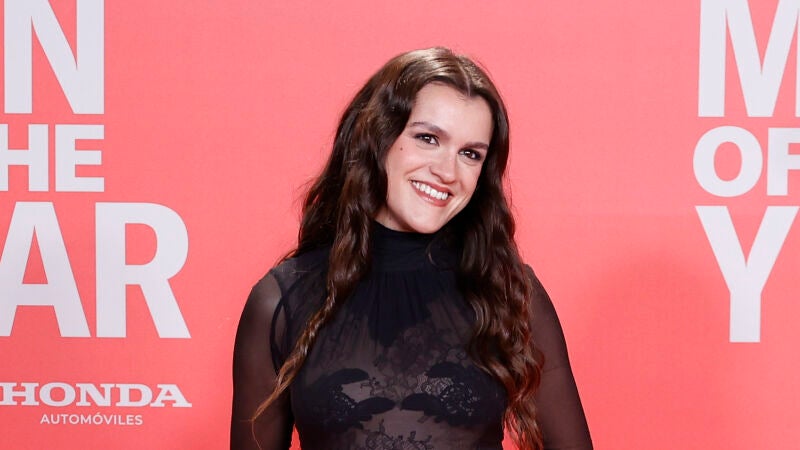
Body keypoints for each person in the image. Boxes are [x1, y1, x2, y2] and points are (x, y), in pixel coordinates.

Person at [231, 47, 592, 450]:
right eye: (428, 139)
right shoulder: (282, 300)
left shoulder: (509, 291)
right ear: (377, 138)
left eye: (470, 154)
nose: (447, 171)